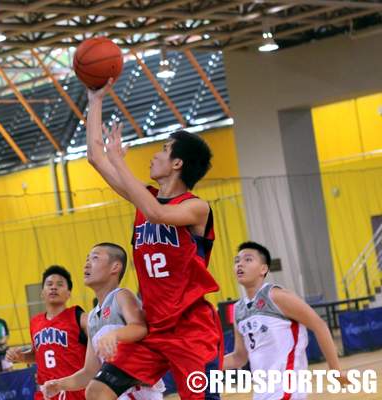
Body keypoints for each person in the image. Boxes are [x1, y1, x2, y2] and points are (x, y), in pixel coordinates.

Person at [84, 79, 222, 399]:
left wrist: (119, 161)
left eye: (163, 149)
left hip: (192, 330)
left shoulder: (196, 208)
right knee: (98, 391)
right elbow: (94, 156)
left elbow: (158, 214)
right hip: (153, 328)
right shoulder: (143, 198)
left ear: (177, 164)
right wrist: (95, 99)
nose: (155, 155)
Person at [223, 241, 347, 399]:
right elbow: (239, 357)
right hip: (261, 394)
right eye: (237, 261)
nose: (240, 264)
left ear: (264, 269)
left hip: (287, 392)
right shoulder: (238, 309)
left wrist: (335, 371)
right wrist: (204, 364)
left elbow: (319, 325)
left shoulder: (276, 296)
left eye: (248, 260)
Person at [42, 243, 164, 400]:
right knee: (94, 391)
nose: (87, 263)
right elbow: (90, 371)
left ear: (115, 267)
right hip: (113, 391)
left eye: (94, 258)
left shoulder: (121, 295)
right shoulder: (92, 317)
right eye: (87, 259)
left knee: (94, 392)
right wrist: (60, 384)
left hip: (137, 391)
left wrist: (115, 334)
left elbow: (140, 327)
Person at [6, 265, 87, 400]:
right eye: (49, 284)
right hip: (46, 393)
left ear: (68, 293)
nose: (54, 287)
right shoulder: (35, 322)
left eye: (60, 284)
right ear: (42, 292)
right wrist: (21, 357)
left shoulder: (79, 316)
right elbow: (38, 354)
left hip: (75, 391)